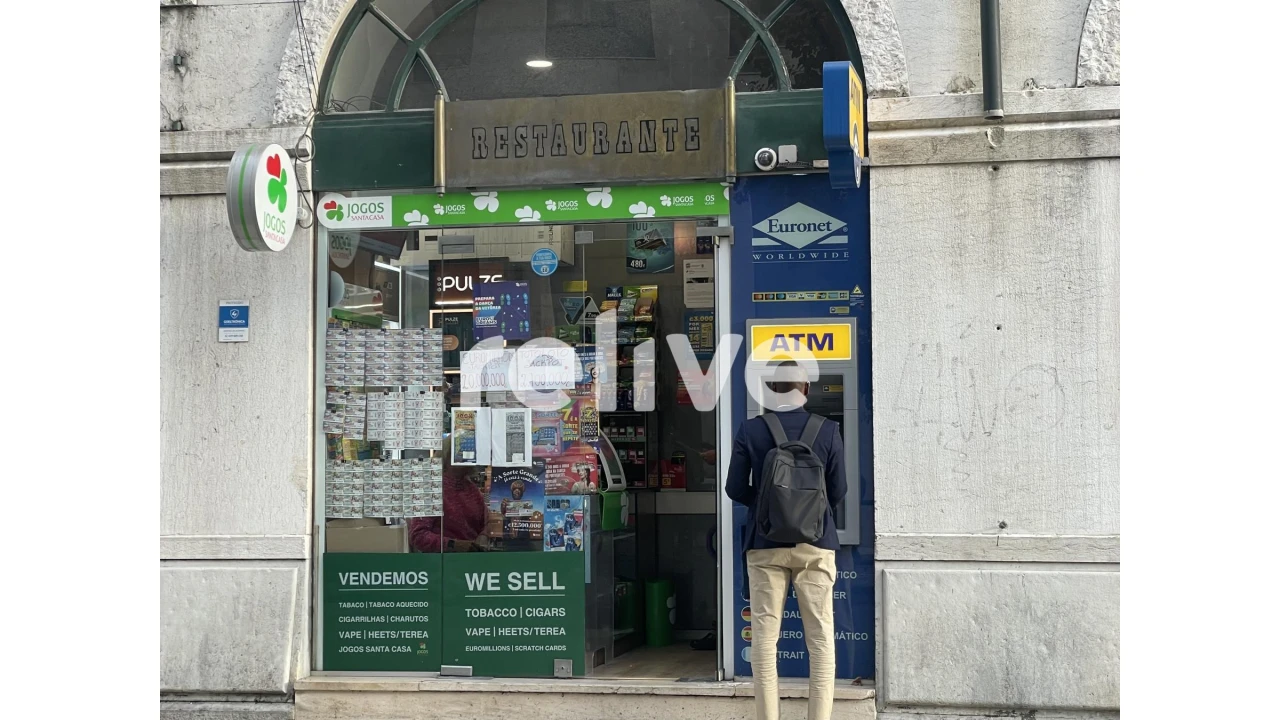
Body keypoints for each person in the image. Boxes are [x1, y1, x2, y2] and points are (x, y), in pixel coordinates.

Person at [726, 362, 847, 720]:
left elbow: (734, 488)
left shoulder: (750, 430)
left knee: (764, 640)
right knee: (821, 640)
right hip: (816, 545)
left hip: (765, 546)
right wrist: (808, 514)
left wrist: (768, 507)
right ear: (805, 390)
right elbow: (838, 490)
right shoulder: (828, 430)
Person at [408, 438, 490, 553]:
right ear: (447, 455)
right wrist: (454, 545)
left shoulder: (472, 489)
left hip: (471, 561)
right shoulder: (432, 489)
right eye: (461, 451)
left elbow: (487, 522)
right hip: (442, 563)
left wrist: (484, 536)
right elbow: (418, 536)